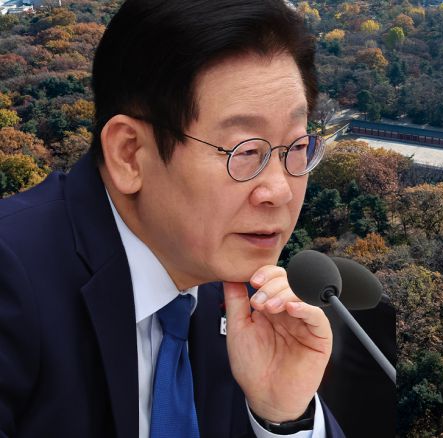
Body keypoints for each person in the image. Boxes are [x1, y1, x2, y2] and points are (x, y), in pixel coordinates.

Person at [0, 0, 348, 436]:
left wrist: (282, 417)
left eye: (296, 148)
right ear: (129, 153)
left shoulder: (251, 301)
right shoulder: (12, 276)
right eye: (244, 151)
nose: (280, 190)